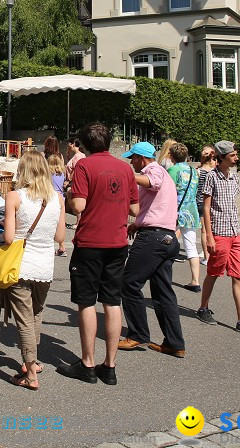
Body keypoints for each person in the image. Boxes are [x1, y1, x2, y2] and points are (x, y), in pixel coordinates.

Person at [59, 122, 138, 385]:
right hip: (117, 242)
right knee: (112, 302)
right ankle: (110, 365)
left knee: (86, 302)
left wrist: (70, 195)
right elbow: (136, 209)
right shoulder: (125, 168)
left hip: (91, 242)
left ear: (84, 144)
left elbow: (79, 205)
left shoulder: (85, 165)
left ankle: (88, 362)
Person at [1, 151, 64, 390]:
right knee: (36, 314)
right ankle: (33, 361)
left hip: (21, 265)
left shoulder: (15, 196)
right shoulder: (57, 198)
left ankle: (30, 374)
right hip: (45, 266)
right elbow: (60, 236)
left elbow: (8, 238)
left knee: (24, 320)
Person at [117, 142, 186, 358]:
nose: (131, 162)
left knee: (129, 283)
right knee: (163, 291)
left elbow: (152, 182)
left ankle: (137, 334)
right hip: (167, 237)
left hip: (153, 239)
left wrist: (125, 176)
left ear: (141, 158)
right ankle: (174, 342)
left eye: (133, 158)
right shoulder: (163, 173)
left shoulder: (154, 170)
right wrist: (136, 223)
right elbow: (156, 207)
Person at [196, 141, 240, 338]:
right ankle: (203, 308)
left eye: (236, 154)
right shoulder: (211, 177)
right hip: (219, 233)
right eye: (233, 155)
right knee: (214, 272)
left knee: (238, 275)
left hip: (235, 232)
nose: (236, 158)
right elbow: (206, 208)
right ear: (222, 157)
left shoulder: (234, 178)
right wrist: (209, 235)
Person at [167, 143, 201, 292]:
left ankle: (163, 276)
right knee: (191, 246)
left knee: (167, 241)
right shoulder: (194, 171)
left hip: (176, 210)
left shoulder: (173, 170)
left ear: (172, 156)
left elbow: (167, 191)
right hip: (191, 211)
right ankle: (195, 281)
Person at [46, 152, 68, 257]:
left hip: (52, 198)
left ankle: (58, 246)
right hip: (61, 199)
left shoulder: (49, 174)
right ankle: (62, 246)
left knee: (50, 222)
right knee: (60, 223)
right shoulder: (62, 174)